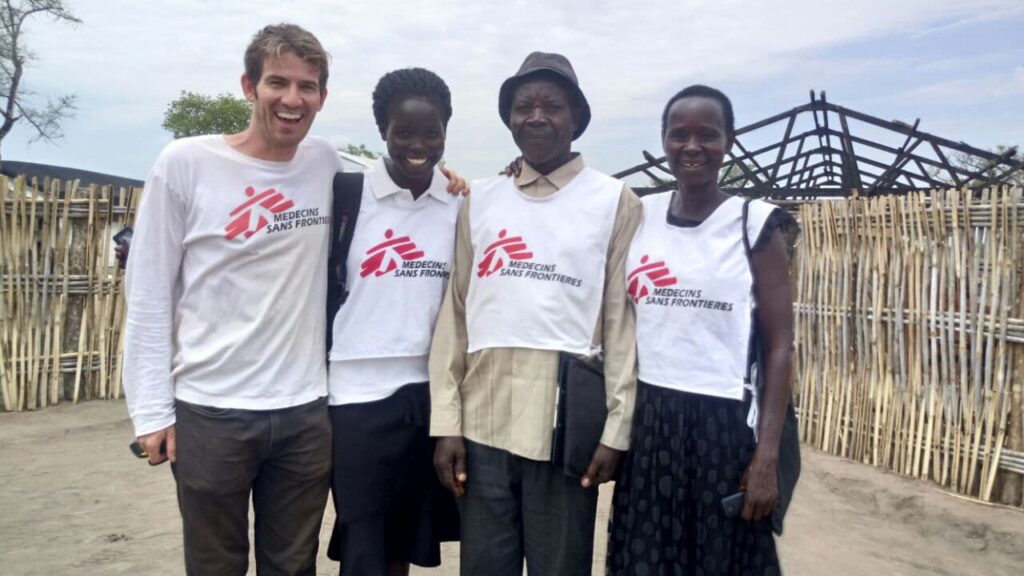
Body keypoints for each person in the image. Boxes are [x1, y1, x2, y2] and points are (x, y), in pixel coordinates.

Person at [122, 24, 340, 575]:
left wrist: (450, 180)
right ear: (249, 86)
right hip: (210, 410)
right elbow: (148, 293)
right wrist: (150, 412)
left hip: (304, 411)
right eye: (277, 82)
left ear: (322, 97)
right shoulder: (185, 164)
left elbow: (397, 180)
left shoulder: (326, 164)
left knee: (294, 565)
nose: (293, 99)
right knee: (215, 564)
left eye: (307, 87)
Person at [429, 51, 642, 575]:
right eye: (524, 106)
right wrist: (446, 424)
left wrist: (617, 429)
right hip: (481, 429)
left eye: (553, 106)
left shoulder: (615, 201)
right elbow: (456, 315)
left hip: (564, 432)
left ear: (577, 117)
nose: (537, 117)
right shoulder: (480, 199)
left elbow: (621, 325)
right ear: (509, 118)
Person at [606, 84, 795, 574]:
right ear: (663, 140)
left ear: (728, 140)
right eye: (679, 134)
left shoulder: (754, 224)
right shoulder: (639, 214)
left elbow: (780, 346)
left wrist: (766, 456)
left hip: (724, 426)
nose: (692, 146)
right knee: (646, 558)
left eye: (707, 135)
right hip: (650, 422)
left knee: (720, 559)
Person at [324, 67, 460, 576]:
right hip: (355, 397)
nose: (418, 145)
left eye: (432, 133)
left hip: (427, 393)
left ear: (445, 132)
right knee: (365, 542)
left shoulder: (457, 202)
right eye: (403, 132)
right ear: (382, 129)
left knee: (405, 539)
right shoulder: (347, 194)